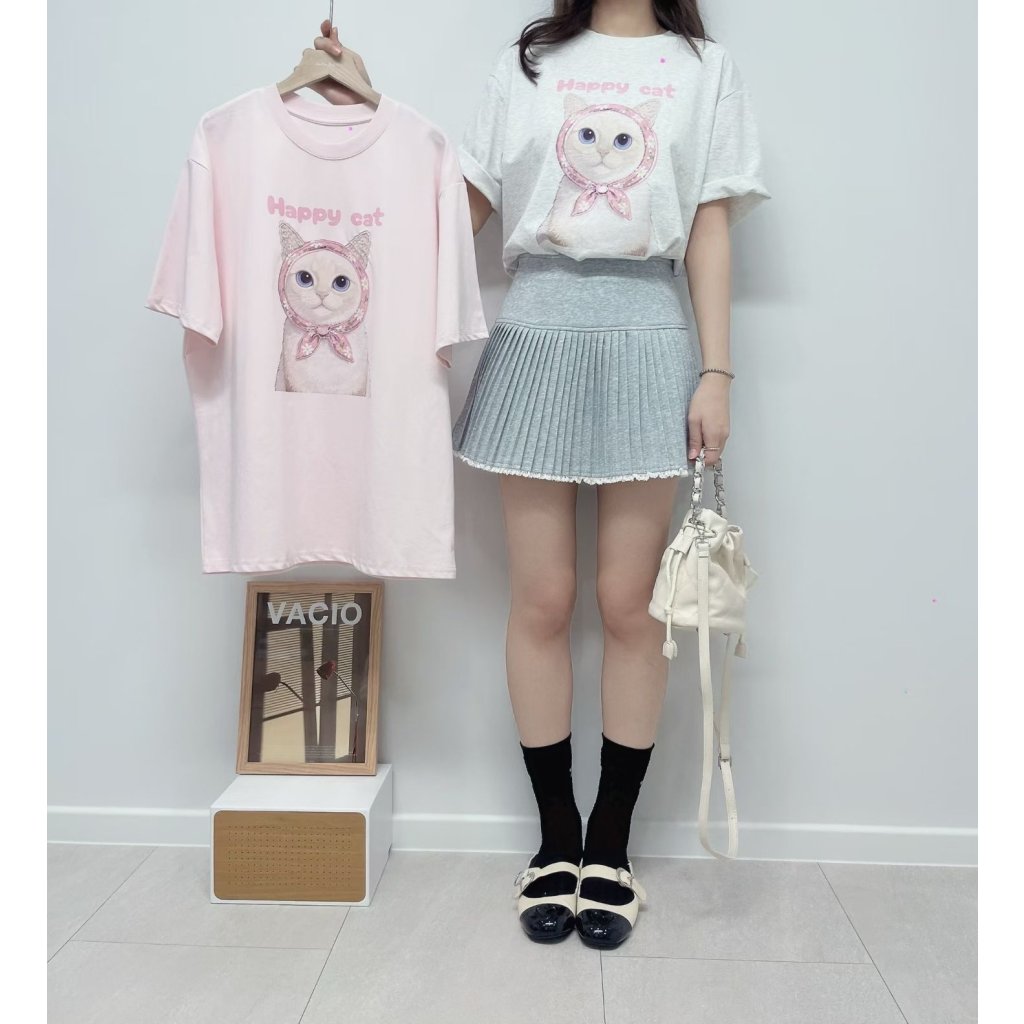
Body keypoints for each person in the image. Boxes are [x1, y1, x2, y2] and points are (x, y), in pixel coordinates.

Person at [315, 0, 768, 949]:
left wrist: (718, 373)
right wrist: (365, 127)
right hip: (534, 329)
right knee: (543, 601)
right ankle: (556, 838)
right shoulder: (524, 63)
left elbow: (710, 224)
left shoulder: (704, 68)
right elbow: (459, 209)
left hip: (652, 338)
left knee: (630, 606)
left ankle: (611, 845)